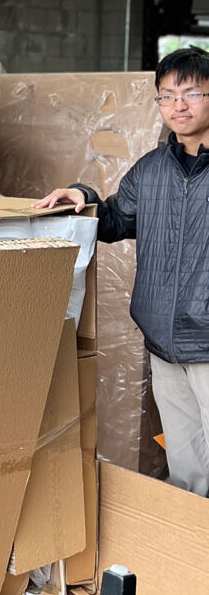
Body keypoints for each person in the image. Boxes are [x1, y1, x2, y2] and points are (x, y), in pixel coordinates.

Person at [35, 44, 209, 498]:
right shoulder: (151, 171)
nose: (178, 105)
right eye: (167, 96)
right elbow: (115, 219)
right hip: (163, 343)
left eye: (191, 93)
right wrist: (82, 195)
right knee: (190, 468)